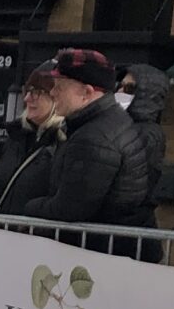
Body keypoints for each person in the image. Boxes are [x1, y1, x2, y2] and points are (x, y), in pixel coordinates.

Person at [11, 46, 155, 228]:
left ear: (86, 93)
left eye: (59, 87)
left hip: (95, 248)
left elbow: (69, 210)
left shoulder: (92, 138)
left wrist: (28, 207)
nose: (53, 93)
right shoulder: (111, 122)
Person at [0, 68, 61, 216]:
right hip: (1, 230)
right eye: (26, 91)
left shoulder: (62, 141)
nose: (27, 98)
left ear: (54, 97)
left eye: (36, 92)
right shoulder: (16, 135)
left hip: (36, 234)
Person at [117, 64, 170, 183]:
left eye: (129, 88)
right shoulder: (125, 125)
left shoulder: (146, 133)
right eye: (120, 86)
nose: (120, 91)